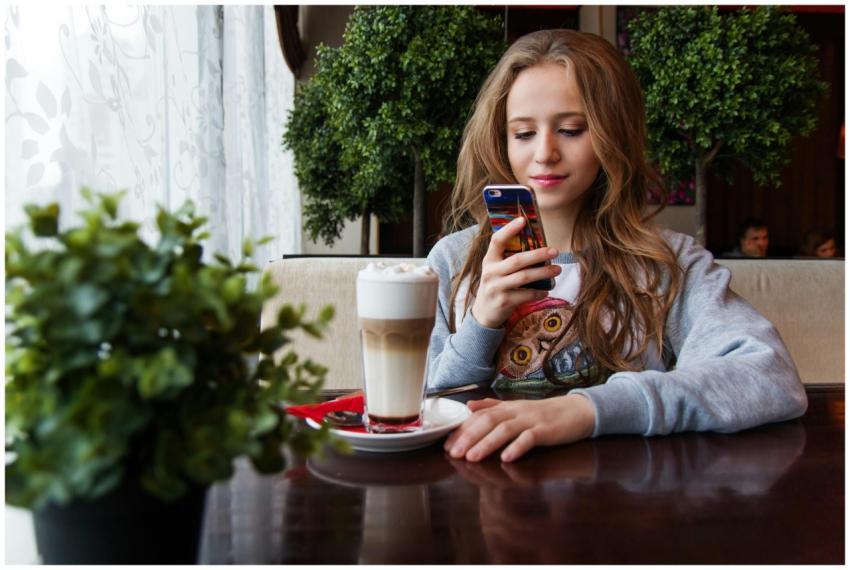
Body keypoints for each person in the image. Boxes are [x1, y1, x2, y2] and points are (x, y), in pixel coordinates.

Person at [424, 29, 807, 463]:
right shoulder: (454, 261)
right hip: (481, 501)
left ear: (613, 135)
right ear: (501, 140)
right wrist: (480, 325)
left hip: (624, 503)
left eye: (571, 129)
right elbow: (410, 408)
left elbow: (771, 377)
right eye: (524, 133)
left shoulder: (667, 264)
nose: (545, 153)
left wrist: (587, 410)